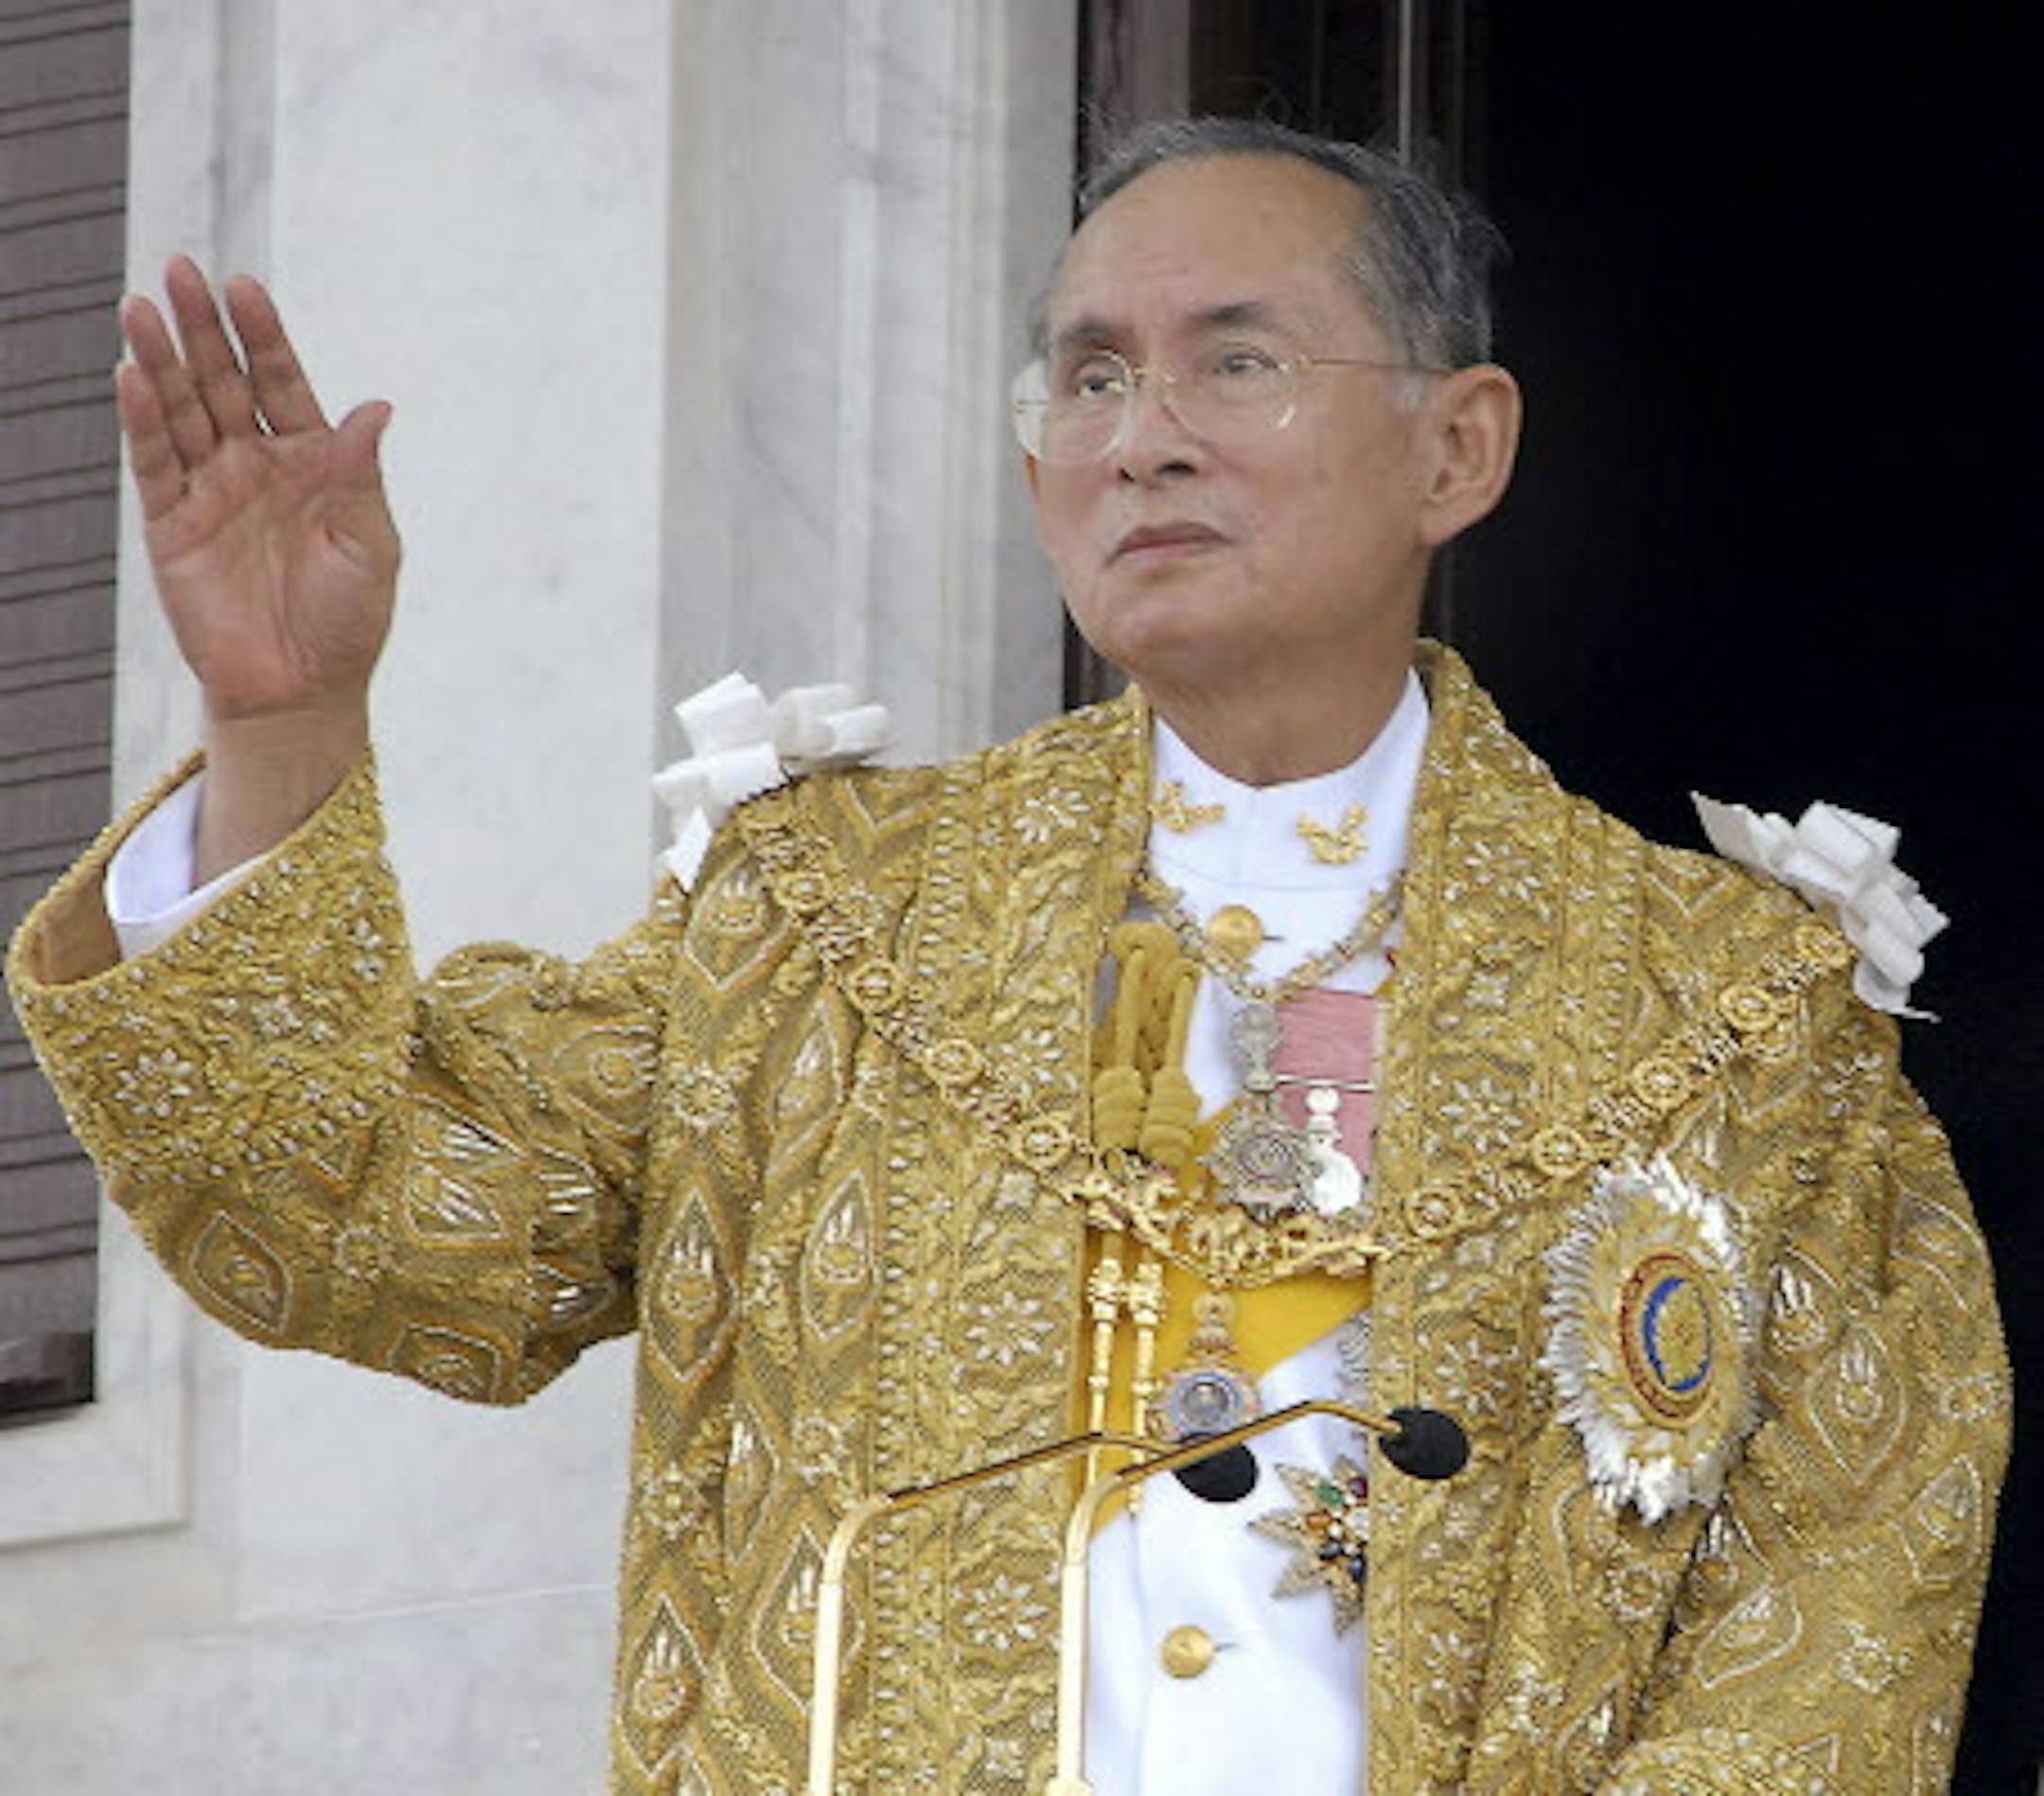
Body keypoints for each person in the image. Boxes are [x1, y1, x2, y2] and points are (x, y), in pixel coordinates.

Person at [7, 118, 2007, 1794]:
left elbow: (1838, 1622)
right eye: (1090, 375)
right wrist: (282, 723)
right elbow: (356, 1206)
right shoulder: (821, 925)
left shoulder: (1733, 1018)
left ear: (1457, 448)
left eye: (1235, 362)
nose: (1140, 437)